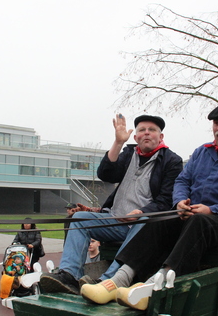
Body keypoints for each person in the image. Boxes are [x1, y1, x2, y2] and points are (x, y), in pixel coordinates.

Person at [81, 102, 218, 310]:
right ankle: (118, 280)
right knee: (158, 218)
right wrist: (179, 202)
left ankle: (154, 287)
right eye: (216, 124)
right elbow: (182, 181)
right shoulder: (201, 153)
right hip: (193, 215)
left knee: (199, 221)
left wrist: (212, 209)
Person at [40, 114, 183, 294]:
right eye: (142, 130)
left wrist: (139, 212)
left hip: (143, 227)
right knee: (78, 218)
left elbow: (166, 201)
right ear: (136, 137)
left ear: (160, 137)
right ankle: (69, 275)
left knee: (146, 219)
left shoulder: (172, 161)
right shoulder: (129, 154)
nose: (146, 133)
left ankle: (108, 280)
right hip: (115, 220)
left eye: (152, 130)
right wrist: (117, 142)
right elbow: (106, 174)